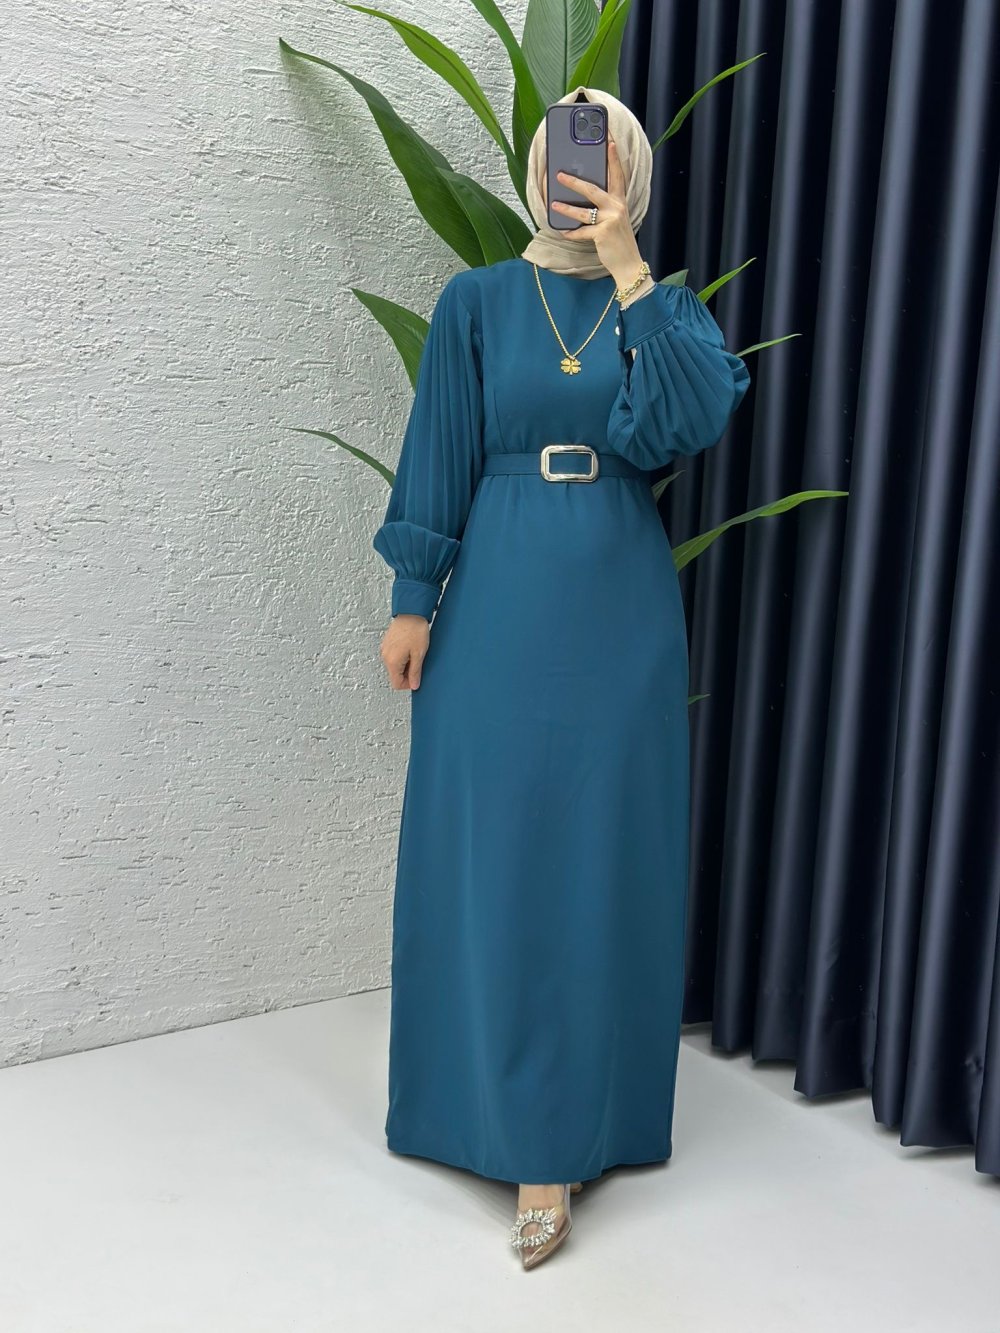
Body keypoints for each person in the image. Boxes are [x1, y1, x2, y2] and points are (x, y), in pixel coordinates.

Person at [372, 84, 751, 1270]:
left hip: (617, 601)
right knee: (492, 845)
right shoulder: (479, 300)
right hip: (496, 595)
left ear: (627, 172)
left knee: (597, 856)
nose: (568, 175)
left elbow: (686, 418)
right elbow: (439, 443)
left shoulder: (661, 310)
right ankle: (476, 1103)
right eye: (556, 154)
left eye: (597, 157)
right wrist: (412, 595)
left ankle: (568, 1130)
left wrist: (629, 267)